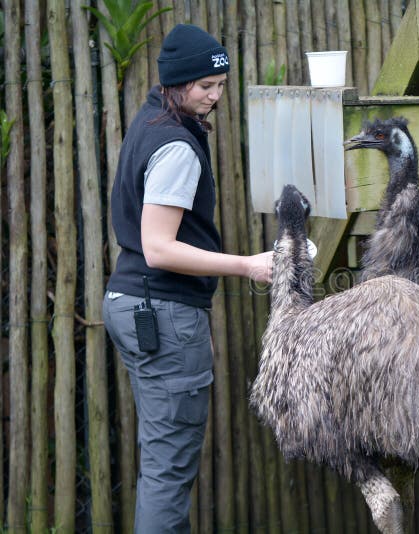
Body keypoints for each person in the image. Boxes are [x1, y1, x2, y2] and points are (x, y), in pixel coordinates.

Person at [102, 23, 273, 533]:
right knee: (169, 469)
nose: (216, 97)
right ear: (177, 83)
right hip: (163, 312)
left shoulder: (150, 121)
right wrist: (247, 265)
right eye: (205, 87)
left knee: (161, 459)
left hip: (131, 303)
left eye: (221, 86)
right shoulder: (175, 145)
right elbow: (158, 248)